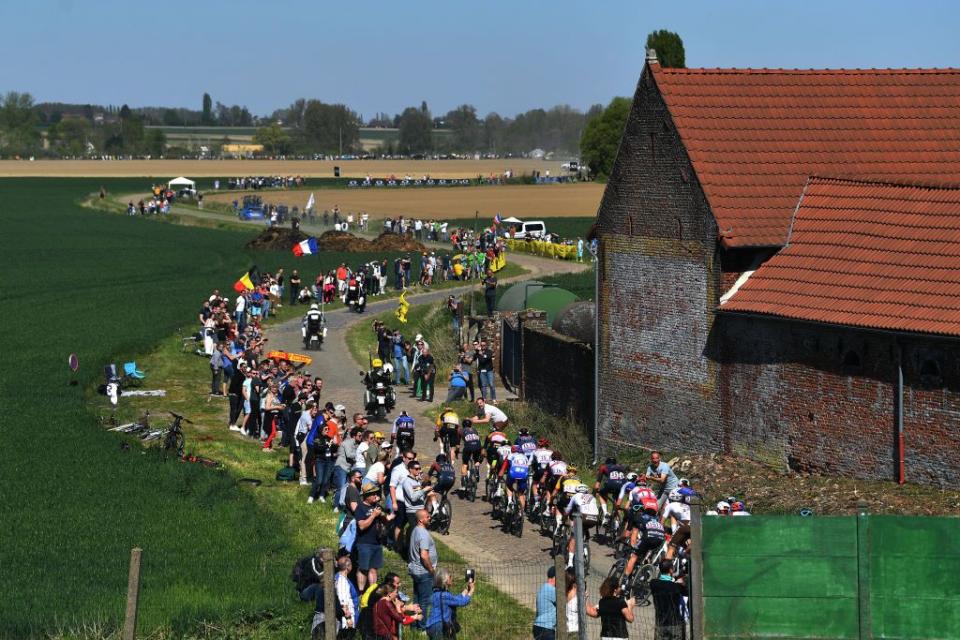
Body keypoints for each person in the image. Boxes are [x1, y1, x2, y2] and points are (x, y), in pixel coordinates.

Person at [354, 482, 393, 592]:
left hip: (377, 543)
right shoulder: (360, 507)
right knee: (363, 569)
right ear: (366, 496)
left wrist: (384, 517)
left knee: (373, 569)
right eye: (373, 494)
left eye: (377, 493)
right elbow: (361, 526)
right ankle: (361, 592)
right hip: (364, 543)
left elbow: (386, 521)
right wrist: (374, 515)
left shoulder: (377, 506)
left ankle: (372, 592)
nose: (376, 496)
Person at [408, 508, 438, 630]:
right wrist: (432, 570)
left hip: (415, 570)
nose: (430, 517)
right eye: (427, 516)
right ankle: (422, 627)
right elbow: (424, 556)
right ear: (420, 520)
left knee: (417, 599)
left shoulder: (415, 530)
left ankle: (414, 624)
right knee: (425, 601)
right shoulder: (423, 534)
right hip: (424, 572)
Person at [424, 567, 474, 640]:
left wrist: (466, 590)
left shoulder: (436, 594)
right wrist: (471, 591)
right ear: (445, 580)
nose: (451, 578)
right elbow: (461, 602)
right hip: (439, 626)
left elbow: (454, 600)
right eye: (450, 576)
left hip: (430, 626)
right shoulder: (445, 595)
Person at [650, 559, 687, 640]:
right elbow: (686, 592)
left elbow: (663, 582)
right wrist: (681, 583)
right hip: (674, 623)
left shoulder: (653, 584)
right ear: (671, 569)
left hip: (660, 623)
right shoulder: (676, 587)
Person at [564, 568, 598, 639]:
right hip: (575, 632)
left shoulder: (561, 593)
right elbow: (593, 613)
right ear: (575, 584)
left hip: (563, 630)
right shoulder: (578, 598)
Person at [335, 554, 360, 637]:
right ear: (348, 567)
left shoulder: (339, 577)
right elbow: (343, 601)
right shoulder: (342, 581)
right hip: (346, 620)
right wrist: (348, 619)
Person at [533, 565, 558, 640]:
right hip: (546, 628)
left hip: (538, 627)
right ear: (555, 577)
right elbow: (564, 603)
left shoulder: (544, 587)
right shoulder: (551, 590)